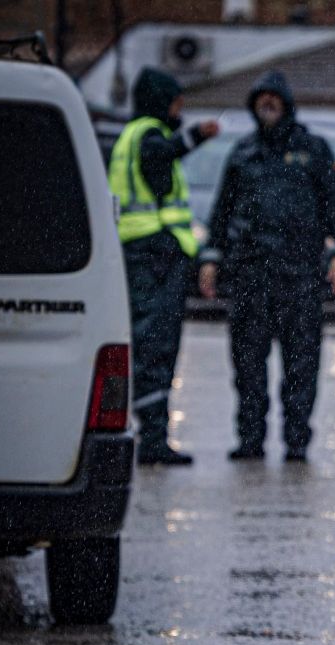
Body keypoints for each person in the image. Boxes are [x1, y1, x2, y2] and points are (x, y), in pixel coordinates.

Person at [197, 71, 335, 463]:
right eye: (260, 98)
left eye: (273, 97)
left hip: (298, 273)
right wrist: (212, 258)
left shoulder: (313, 149)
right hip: (250, 272)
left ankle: (296, 438)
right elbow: (222, 210)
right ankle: (250, 437)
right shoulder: (243, 152)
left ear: (286, 102)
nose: (267, 104)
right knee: (248, 363)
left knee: (301, 361)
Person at [107, 67, 218, 466]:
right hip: (154, 255)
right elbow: (161, 156)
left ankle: (150, 434)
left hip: (142, 253)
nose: (180, 109)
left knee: (148, 343)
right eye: (176, 102)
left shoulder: (129, 134)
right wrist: (194, 137)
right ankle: (153, 440)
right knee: (156, 345)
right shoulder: (150, 135)